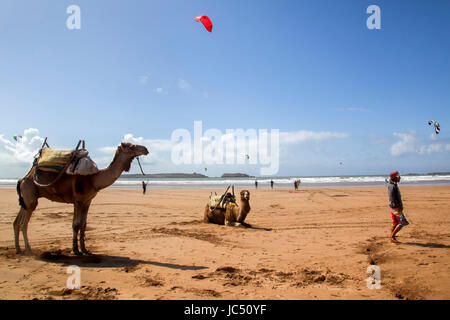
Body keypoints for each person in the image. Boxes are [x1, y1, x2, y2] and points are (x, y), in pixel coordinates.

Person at [388, 171, 409, 243]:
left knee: (396, 222)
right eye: (398, 176)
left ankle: (392, 234)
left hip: (392, 206)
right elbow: (393, 198)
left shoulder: (392, 185)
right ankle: (392, 236)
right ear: (395, 178)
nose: (400, 177)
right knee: (402, 222)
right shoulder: (393, 186)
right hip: (395, 207)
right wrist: (399, 207)